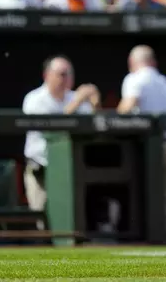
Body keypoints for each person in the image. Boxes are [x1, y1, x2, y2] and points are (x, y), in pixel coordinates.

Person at [22, 55, 101, 226]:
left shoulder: (73, 97)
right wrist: (77, 102)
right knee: (41, 217)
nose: (66, 79)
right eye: (62, 74)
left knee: (72, 219)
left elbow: (95, 126)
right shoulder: (34, 99)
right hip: (41, 168)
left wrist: (95, 105)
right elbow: (54, 129)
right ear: (47, 75)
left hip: (71, 170)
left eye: (69, 74)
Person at [116, 45, 166, 240]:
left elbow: (126, 109)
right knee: (165, 196)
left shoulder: (135, 79)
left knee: (146, 194)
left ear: (132, 63)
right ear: (153, 62)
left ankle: (150, 236)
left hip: (149, 148)